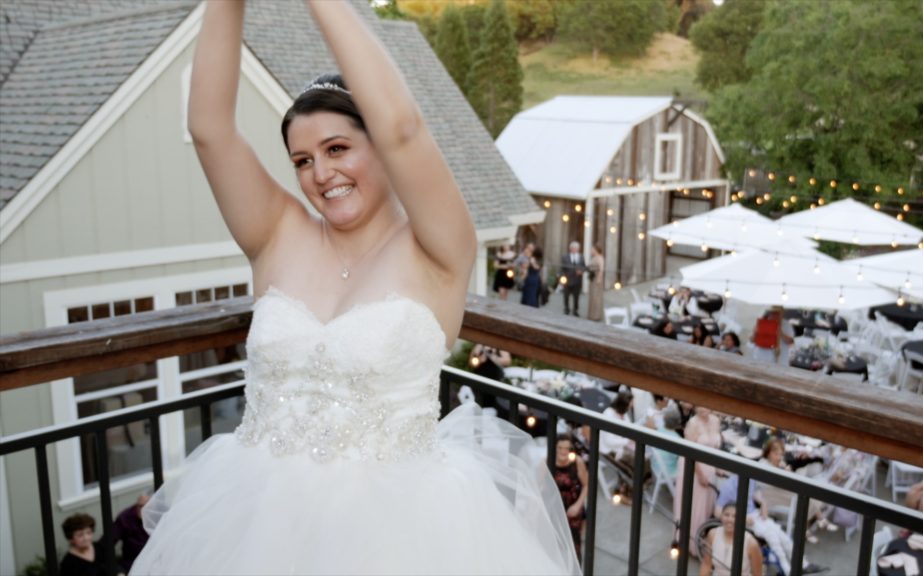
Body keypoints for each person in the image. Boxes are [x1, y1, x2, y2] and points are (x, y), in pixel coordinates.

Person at [131, 2, 579, 574]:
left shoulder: (438, 249)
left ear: (381, 150)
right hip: (258, 526)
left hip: (396, 538)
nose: (321, 174)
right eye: (302, 160)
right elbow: (209, 130)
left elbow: (403, 127)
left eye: (337, 148)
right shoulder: (276, 233)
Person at [675, 406, 721, 556]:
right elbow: (689, 452)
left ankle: (700, 540)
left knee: (706, 507)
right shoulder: (692, 423)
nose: (703, 408)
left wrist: (717, 467)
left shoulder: (715, 421)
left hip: (710, 468)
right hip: (694, 469)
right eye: (699, 405)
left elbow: (716, 448)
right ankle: (688, 544)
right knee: (694, 507)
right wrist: (700, 474)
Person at [699, 502, 763, 576]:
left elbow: (757, 573)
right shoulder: (713, 534)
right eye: (726, 515)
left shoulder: (751, 543)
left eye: (735, 516)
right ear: (721, 516)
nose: (730, 519)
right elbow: (706, 564)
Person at [552, 434, 588, 560]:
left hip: (573, 509)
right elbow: (539, 487)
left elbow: (586, 485)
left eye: (566, 448)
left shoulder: (577, 462)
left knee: (574, 546)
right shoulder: (547, 462)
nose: (563, 451)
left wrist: (577, 506)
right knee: (555, 546)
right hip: (555, 510)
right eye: (560, 448)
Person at [110, 492, 150, 573]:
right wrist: (118, 570)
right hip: (132, 563)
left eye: (146, 506)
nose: (142, 510)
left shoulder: (161, 515)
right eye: (140, 506)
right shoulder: (125, 518)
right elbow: (108, 543)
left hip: (155, 561)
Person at [560, 241, 586, 316]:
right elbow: (562, 268)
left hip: (577, 280)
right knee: (566, 295)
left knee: (576, 296)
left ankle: (575, 310)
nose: (574, 249)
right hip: (567, 279)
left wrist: (581, 271)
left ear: (578, 249)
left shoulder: (581, 257)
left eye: (576, 248)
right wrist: (562, 277)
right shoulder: (565, 257)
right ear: (570, 249)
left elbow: (584, 267)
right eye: (573, 248)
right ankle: (566, 308)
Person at [586, 245, 605, 322]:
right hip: (592, 278)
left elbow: (601, 269)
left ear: (596, 250)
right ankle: (591, 314)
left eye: (592, 249)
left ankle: (596, 315)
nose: (591, 251)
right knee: (592, 296)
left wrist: (599, 279)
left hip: (597, 279)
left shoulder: (600, 258)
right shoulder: (594, 258)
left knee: (596, 297)